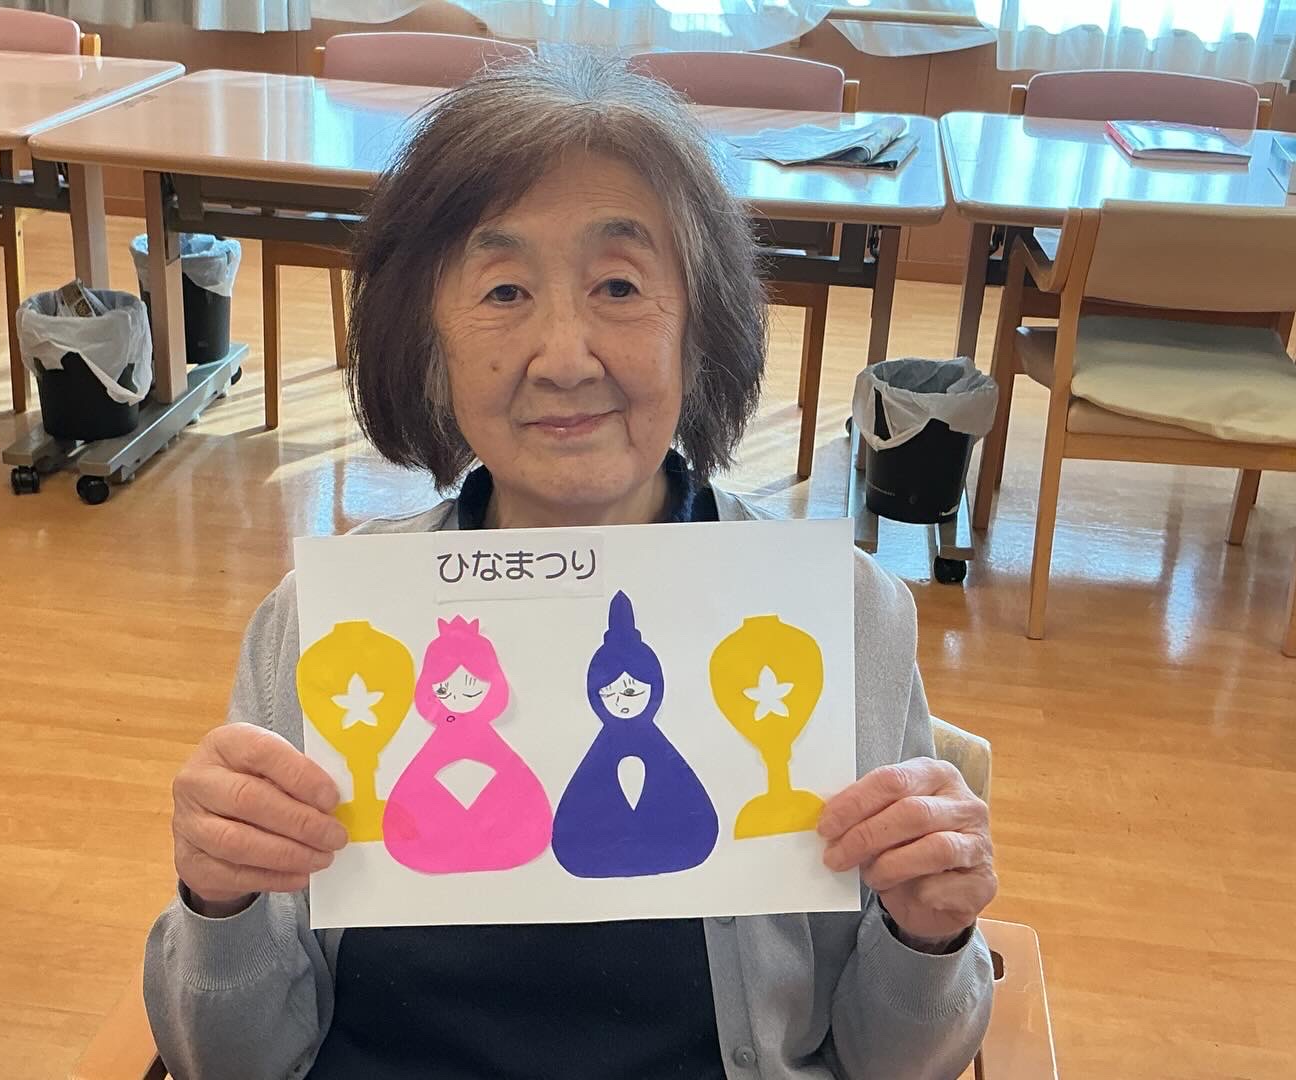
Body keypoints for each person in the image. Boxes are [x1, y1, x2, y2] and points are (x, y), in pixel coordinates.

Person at [147, 49, 998, 1080]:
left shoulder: (843, 616)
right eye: (503, 290)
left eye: (619, 286)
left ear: (701, 329)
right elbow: (230, 1062)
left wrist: (928, 937)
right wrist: (219, 903)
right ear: (429, 344)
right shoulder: (323, 632)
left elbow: (894, 1063)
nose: (562, 357)